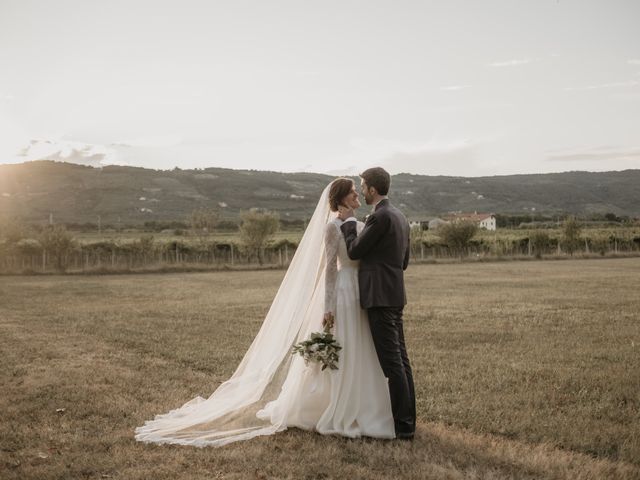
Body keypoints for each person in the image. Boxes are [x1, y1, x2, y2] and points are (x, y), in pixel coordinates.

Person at [134, 177, 395, 447]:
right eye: (352, 193)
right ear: (341, 199)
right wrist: (328, 306)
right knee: (341, 344)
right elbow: (329, 268)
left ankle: (362, 405)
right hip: (341, 291)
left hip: (359, 293)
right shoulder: (332, 227)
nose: (357, 196)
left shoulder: (362, 225)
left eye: (357, 192)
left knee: (360, 347)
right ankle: (330, 406)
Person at [337, 167, 416, 440]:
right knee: (401, 361)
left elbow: (355, 250)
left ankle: (403, 427)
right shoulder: (400, 217)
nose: (360, 190)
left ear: (372, 189)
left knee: (392, 364)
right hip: (395, 294)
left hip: (379, 297)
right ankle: (408, 422)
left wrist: (348, 225)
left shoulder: (378, 217)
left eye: (363, 186)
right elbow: (403, 262)